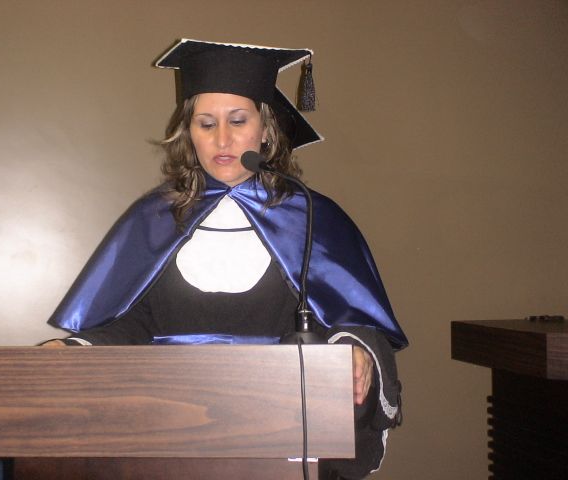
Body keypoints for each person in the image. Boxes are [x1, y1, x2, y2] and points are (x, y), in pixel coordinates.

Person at [44, 39, 408, 480]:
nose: (222, 139)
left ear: (266, 129)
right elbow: (131, 324)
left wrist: (352, 349)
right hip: (166, 436)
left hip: (284, 436)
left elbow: (346, 320)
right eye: (206, 123)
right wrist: (73, 350)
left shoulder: (315, 217)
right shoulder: (153, 219)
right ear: (188, 133)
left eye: (238, 120)